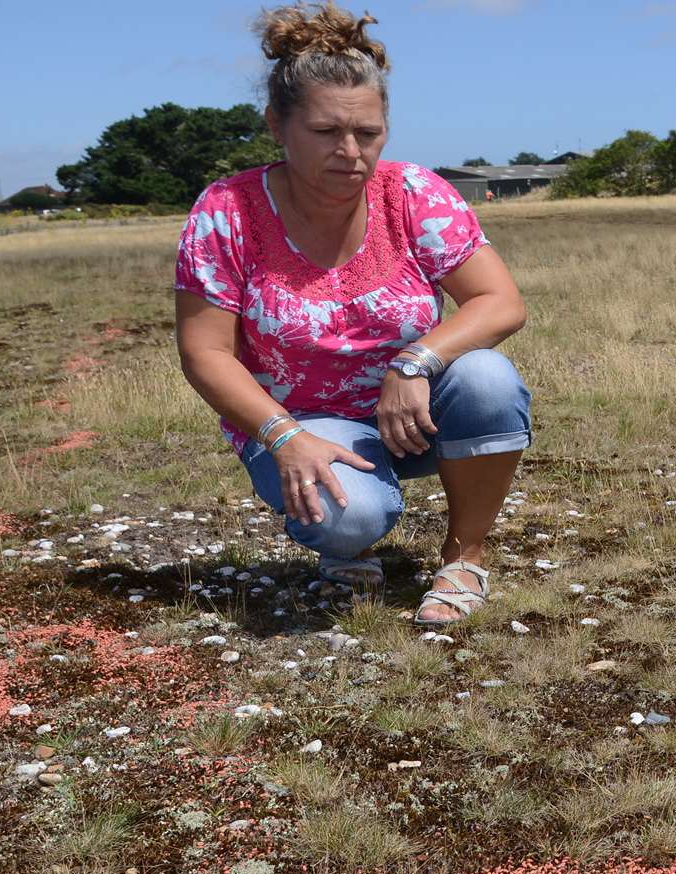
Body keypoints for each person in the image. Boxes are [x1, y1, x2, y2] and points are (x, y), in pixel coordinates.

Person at [173, 2, 531, 626]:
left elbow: (500, 302)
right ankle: (349, 546)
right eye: (324, 133)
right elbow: (205, 351)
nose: (350, 152)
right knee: (352, 518)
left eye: (367, 133)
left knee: (487, 380)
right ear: (276, 126)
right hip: (303, 422)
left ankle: (464, 556)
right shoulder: (226, 210)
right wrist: (285, 436)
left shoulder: (413, 193)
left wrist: (415, 362)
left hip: (414, 413)